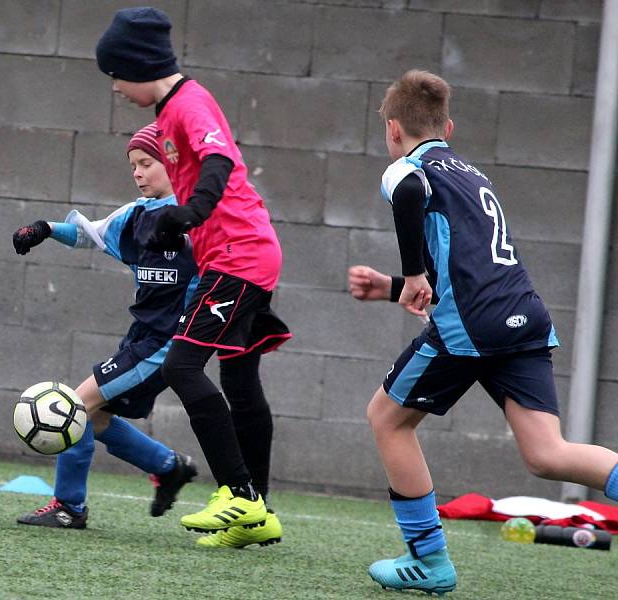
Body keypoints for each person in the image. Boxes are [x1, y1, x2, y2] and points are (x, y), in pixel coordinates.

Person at [349, 69, 618, 595]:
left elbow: (406, 192)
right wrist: (396, 285)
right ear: (448, 127)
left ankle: (428, 561)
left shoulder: (408, 166)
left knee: (387, 418)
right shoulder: (472, 174)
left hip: (475, 324)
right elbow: (465, 263)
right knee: (547, 454)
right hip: (524, 313)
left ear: (392, 128)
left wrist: (409, 275)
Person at [94, 7, 291, 548]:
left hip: (239, 255)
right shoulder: (168, 113)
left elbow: (219, 160)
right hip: (238, 254)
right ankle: (260, 513)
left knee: (182, 365)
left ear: (137, 65)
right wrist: (174, 229)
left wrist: (191, 213)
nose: (114, 88)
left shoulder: (189, 103)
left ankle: (239, 496)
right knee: (241, 381)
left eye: (115, 74)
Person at [11, 123, 199, 529]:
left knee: (74, 407)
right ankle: (167, 467)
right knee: (93, 419)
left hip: (167, 342)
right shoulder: (134, 216)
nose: (137, 173)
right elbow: (87, 234)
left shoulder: (197, 220)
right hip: (140, 337)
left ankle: (69, 507)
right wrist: (45, 229)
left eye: (147, 163)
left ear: (173, 164)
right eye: (133, 165)